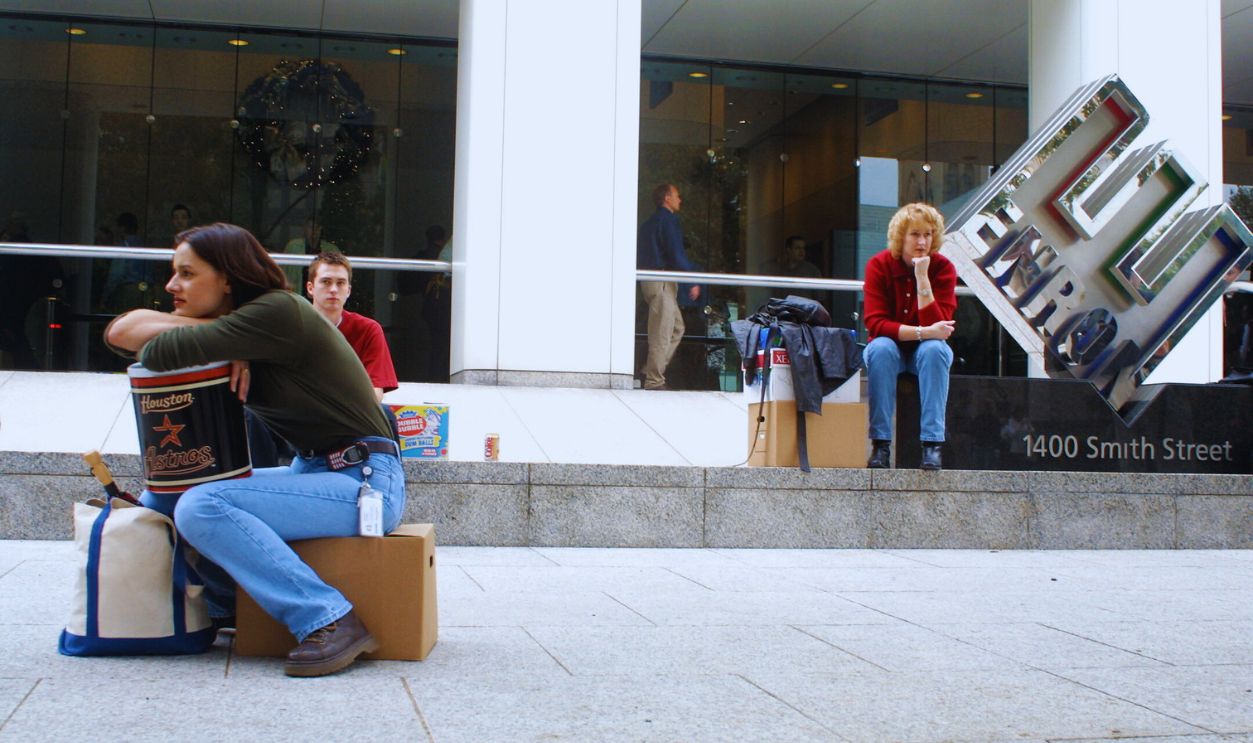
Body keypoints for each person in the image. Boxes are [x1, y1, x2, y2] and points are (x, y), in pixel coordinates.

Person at [104, 223, 404, 677]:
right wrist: (227, 335)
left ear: (227, 277)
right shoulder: (252, 325)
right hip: (314, 473)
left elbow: (156, 349)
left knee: (204, 504)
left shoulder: (278, 311)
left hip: (365, 482)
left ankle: (328, 617)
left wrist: (227, 335)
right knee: (164, 498)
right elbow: (119, 331)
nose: (171, 285)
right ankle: (227, 609)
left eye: (187, 273)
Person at [862, 202, 957, 471]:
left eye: (928, 234)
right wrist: (925, 332)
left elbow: (941, 324)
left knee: (935, 350)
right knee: (880, 348)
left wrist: (922, 277)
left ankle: (932, 446)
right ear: (900, 236)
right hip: (888, 349)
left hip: (924, 353)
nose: (922, 241)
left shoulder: (943, 268)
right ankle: (880, 446)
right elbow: (875, 324)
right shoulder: (878, 266)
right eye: (915, 234)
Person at [307, 251, 399, 402]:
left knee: (386, 416)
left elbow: (375, 393)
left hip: (349, 415)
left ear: (348, 290)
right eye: (326, 282)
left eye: (340, 283)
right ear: (310, 288)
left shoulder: (368, 329)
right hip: (300, 414)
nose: (333, 289)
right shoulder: (292, 326)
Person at [637, 183, 699, 391]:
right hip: (661, 280)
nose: (680, 200)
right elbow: (676, 254)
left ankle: (650, 369)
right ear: (667, 198)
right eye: (677, 195)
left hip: (652, 281)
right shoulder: (668, 221)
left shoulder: (648, 224)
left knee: (676, 327)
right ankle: (654, 380)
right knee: (662, 331)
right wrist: (691, 280)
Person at [282, 215, 339, 290]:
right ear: (305, 229)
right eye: (310, 227)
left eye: (317, 228)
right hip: (297, 294)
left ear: (320, 229)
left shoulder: (331, 250)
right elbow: (284, 274)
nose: (313, 231)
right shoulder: (293, 247)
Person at [760, 235, 822, 300]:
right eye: (798, 248)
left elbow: (820, 296)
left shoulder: (811, 270)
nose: (802, 251)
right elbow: (762, 270)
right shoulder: (776, 268)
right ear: (789, 250)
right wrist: (776, 261)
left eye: (803, 248)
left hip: (802, 308)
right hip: (780, 307)